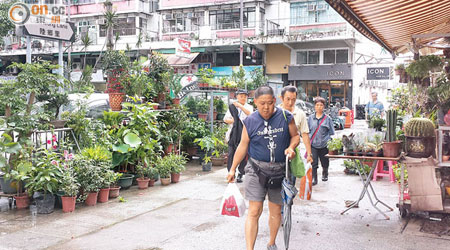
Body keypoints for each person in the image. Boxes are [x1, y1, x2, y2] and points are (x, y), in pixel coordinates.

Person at [227, 86, 300, 250]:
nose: (266, 107)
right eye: (261, 104)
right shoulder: (250, 120)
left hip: (279, 171)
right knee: (254, 210)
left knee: (275, 211)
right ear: (255, 103)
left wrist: (291, 148)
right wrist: (232, 169)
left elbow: (295, 136)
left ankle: (271, 243)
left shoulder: (285, 117)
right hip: (255, 170)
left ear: (275, 101)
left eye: (269, 103)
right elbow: (243, 145)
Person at [224, 89, 253, 183]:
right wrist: (234, 121)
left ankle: (241, 173)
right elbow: (226, 119)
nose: (243, 98)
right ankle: (231, 172)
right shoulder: (232, 107)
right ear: (237, 96)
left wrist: (240, 106)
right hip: (233, 134)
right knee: (231, 154)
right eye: (241, 96)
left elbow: (250, 114)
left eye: (245, 96)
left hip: (245, 135)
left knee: (244, 155)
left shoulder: (249, 107)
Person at [278, 85, 313, 165]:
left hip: (294, 154)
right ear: (281, 98)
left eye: (293, 100)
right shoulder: (275, 112)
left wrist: (309, 154)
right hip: (277, 155)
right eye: (288, 99)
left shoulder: (300, 114)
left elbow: (305, 134)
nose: (290, 103)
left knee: (292, 176)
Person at [307, 97, 335, 186]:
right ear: (314, 106)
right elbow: (307, 131)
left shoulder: (328, 119)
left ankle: (325, 173)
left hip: (324, 144)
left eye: (321, 105)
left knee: (324, 161)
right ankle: (314, 178)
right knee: (314, 162)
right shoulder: (310, 118)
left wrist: (331, 144)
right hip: (313, 144)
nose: (319, 107)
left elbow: (331, 133)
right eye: (317, 105)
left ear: (324, 107)